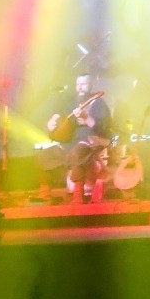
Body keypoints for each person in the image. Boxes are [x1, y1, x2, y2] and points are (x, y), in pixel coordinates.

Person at [46, 73, 112, 204]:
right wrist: (52, 121)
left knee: (78, 151)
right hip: (70, 143)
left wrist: (85, 117)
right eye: (78, 84)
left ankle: (78, 194)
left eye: (84, 84)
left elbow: (102, 128)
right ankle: (45, 194)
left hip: (90, 143)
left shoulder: (98, 102)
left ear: (90, 85)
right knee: (45, 155)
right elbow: (61, 115)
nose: (80, 87)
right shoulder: (72, 102)